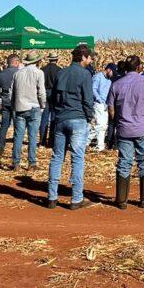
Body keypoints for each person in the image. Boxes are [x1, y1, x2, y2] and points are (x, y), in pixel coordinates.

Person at [108, 56, 144, 209]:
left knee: (124, 162)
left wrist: (117, 122)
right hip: (143, 127)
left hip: (124, 129)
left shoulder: (116, 84)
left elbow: (111, 109)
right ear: (139, 67)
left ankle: (121, 200)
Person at [46, 46, 95, 209]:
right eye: (90, 57)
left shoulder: (62, 73)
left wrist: (57, 113)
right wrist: (90, 117)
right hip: (78, 118)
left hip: (60, 119)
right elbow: (88, 99)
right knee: (77, 158)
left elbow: (53, 97)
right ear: (83, 57)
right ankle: (76, 199)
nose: (91, 60)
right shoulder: (85, 74)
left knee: (57, 157)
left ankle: (52, 197)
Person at [11, 51, 46, 171]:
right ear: (37, 61)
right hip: (34, 107)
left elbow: (12, 92)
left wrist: (13, 105)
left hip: (20, 107)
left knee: (18, 136)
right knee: (32, 136)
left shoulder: (17, 74)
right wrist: (43, 105)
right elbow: (41, 92)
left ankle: (15, 162)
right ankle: (32, 162)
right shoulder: (39, 73)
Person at [0, 54, 21, 156]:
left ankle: (0, 148)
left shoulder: (2, 73)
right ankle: (15, 151)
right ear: (15, 62)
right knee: (17, 126)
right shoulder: (19, 73)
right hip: (16, 100)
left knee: (4, 125)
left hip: (5, 100)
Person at [89, 62, 115, 153]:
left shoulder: (109, 80)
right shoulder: (98, 77)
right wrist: (100, 100)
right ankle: (98, 145)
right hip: (98, 103)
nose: (113, 75)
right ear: (108, 69)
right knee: (100, 124)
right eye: (112, 72)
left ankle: (90, 142)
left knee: (102, 125)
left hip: (105, 104)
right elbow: (93, 89)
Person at [39, 53, 62, 146]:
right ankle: (51, 141)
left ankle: (42, 140)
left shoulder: (43, 70)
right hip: (55, 93)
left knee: (44, 118)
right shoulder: (59, 70)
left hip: (45, 92)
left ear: (49, 59)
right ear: (56, 60)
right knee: (53, 117)